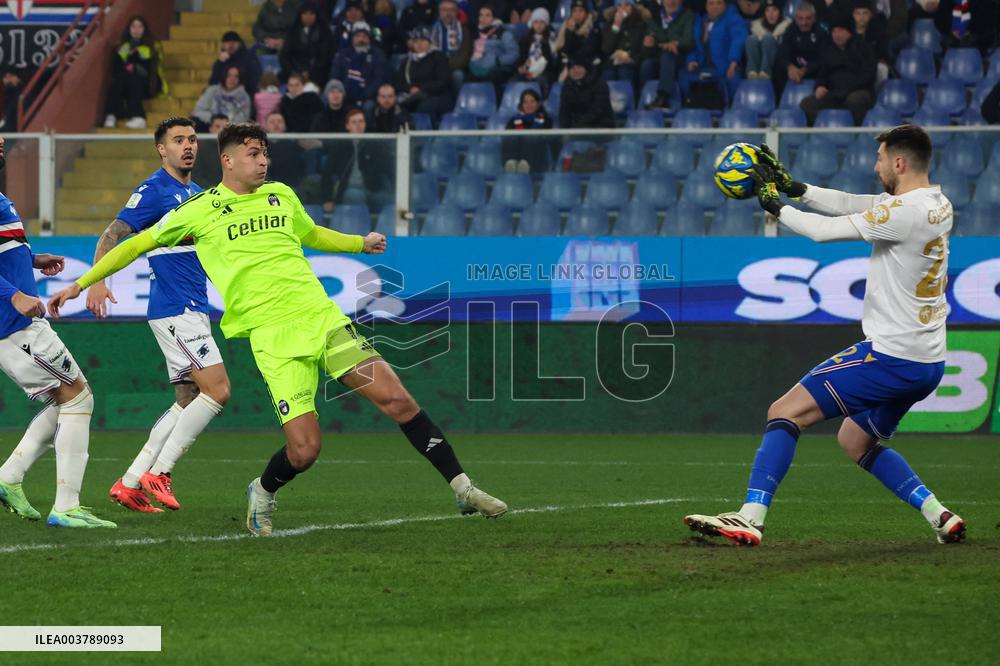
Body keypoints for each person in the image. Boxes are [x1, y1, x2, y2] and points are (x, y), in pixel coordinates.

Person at [48, 122, 508, 537]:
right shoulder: (199, 210)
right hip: (273, 341)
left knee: (398, 399)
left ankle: (463, 487)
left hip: (322, 320)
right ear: (227, 160)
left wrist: (360, 243)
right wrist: (82, 282)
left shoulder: (282, 195)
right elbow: (133, 245)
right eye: (253, 152)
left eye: (265, 151)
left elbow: (312, 234)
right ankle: (263, 491)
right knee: (305, 451)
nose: (263, 159)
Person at [686, 125, 964, 547]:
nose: (876, 166)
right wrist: (794, 188)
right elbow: (852, 204)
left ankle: (750, 516)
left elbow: (822, 232)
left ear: (900, 163)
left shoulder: (905, 213)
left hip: (891, 357)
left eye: (881, 158)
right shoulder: (935, 203)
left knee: (784, 412)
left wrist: (773, 204)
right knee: (856, 441)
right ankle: (939, 514)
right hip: (927, 361)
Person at [84, 117, 230, 513]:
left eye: (193, 139)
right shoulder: (153, 190)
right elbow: (113, 234)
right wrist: (97, 281)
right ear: (161, 150)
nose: (188, 145)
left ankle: (130, 483)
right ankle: (159, 472)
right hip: (175, 309)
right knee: (218, 391)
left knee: (188, 397)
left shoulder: (198, 195)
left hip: (191, 306)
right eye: (178, 140)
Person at [0, 134, 116, 529]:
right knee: (79, 399)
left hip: (17, 320)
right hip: (13, 323)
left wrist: (30, 260)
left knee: (65, 398)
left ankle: (10, 477)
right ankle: (66, 506)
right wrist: (13, 293)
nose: (1, 139)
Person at [799, 16, 875, 126]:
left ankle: (856, 134)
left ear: (849, 32)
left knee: (855, 100)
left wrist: (849, 88)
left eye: (840, 30)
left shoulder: (863, 48)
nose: (836, 34)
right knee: (807, 104)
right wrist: (819, 87)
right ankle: (819, 133)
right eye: (834, 31)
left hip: (857, 91)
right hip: (834, 94)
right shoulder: (828, 51)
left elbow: (869, 74)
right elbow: (822, 75)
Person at [322, 107, 393, 210]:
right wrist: (327, 199)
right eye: (354, 122)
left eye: (361, 121)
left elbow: (387, 169)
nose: (358, 125)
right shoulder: (339, 146)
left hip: (373, 189)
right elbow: (327, 174)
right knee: (355, 195)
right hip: (350, 189)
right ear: (347, 126)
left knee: (390, 201)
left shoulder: (374, 144)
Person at [103, 16, 165, 130]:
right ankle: (111, 115)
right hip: (126, 84)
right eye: (133, 27)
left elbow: (150, 70)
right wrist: (128, 65)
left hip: (148, 85)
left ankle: (139, 116)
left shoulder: (152, 46)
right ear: (129, 29)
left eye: (140, 27)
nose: (136, 30)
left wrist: (134, 63)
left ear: (144, 29)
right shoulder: (123, 47)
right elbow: (116, 68)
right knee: (118, 79)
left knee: (134, 76)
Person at [682, 0, 748, 102]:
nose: (715, 6)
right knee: (684, 76)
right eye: (711, 3)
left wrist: (734, 60)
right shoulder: (701, 21)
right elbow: (694, 45)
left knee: (733, 79)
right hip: (703, 66)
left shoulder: (733, 18)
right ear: (706, 6)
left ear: (725, 5)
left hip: (725, 66)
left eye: (719, 3)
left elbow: (738, 39)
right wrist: (691, 60)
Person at [640, 0, 695, 110]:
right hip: (658, 56)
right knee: (647, 64)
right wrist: (648, 45)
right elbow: (646, 52)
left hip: (680, 56)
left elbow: (689, 42)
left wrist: (676, 43)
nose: (671, 2)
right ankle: (643, 98)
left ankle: (663, 98)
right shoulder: (654, 18)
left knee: (667, 55)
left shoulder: (688, 15)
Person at [395, 28, 454, 125]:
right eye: (416, 41)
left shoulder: (439, 57)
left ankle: (427, 136)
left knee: (425, 107)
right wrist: (410, 89)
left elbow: (442, 82)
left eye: (422, 41)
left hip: (438, 96)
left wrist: (420, 88)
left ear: (429, 42)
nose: (419, 44)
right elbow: (398, 83)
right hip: (413, 96)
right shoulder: (407, 61)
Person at [773, 1, 828, 98]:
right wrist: (789, 67)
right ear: (795, 19)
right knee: (778, 67)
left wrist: (806, 70)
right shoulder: (791, 30)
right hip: (794, 70)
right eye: (800, 19)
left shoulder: (821, 32)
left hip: (813, 70)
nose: (804, 22)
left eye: (808, 18)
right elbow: (782, 53)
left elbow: (824, 57)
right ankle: (779, 102)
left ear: (814, 18)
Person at [329, 22, 389, 108]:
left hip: (369, 97)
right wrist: (343, 93)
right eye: (357, 36)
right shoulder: (343, 54)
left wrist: (363, 95)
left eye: (364, 36)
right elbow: (335, 75)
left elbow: (379, 79)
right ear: (352, 38)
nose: (361, 39)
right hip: (345, 94)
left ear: (369, 39)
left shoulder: (377, 54)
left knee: (369, 106)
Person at [280, 2, 334, 86]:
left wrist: (310, 72)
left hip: (317, 72)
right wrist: (295, 72)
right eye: (305, 14)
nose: (308, 17)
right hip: (295, 71)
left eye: (311, 14)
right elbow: (285, 55)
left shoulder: (324, 30)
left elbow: (325, 56)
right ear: (300, 15)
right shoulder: (293, 30)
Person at [468, 4, 520, 86]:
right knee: (466, 79)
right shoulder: (476, 35)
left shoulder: (503, 33)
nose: (483, 18)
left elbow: (513, 54)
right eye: (481, 15)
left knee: (490, 77)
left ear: (494, 18)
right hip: (478, 69)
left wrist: (498, 61)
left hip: (498, 69)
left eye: (487, 15)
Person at [503, 89, 553, 173]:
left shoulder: (545, 119)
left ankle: (526, 164)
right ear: (522, 105)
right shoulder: (514, 120)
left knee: (531, 138)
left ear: (538, 104)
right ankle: (511, 163)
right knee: (511, 138)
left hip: (537, 160)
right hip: (516, 157)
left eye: (532, 101)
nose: (529, 105)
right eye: (525, 102)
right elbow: (507, 138)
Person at [601, 0, 651, 86]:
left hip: (633, 62)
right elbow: (606, 49)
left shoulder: (641, 25)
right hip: (613, 62)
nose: (623, 8)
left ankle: (628, 98)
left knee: (624, 71)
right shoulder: (610, 24)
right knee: (608, 73)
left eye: (627, 5)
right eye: (619, 5)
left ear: (633, 7)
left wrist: (632, 59)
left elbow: (643, 50)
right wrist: (616, 27)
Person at [559, 56, 615, 128]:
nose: (575, 71)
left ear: (586, 69)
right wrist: (563, 131)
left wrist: (578, 126)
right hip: (576, 128)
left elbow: (598, 110)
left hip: (601, 127)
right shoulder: (567, 87)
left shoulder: (599, 84)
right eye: (572, 68)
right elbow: (564, 112)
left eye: (579, 67)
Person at [512, 8, 558, 96]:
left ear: (546, 23)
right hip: (528, 69)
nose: (539, 25)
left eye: (542, 22)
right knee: (514, 80)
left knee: (541, 80)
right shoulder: (526, 38)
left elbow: (553, 63)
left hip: (546, 71)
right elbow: (522, 57)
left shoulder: (552, 38)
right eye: (536, 22)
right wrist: (520, 67)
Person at [554, 0, 602, 82]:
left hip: (588, 63)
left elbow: (589, 50)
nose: (577, 14)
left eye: (581, 10)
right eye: (574, 11)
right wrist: (570, 32)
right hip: (572, 63)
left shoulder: (593, 27)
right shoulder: (567, 27)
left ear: (586, 13)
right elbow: (565, 50)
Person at [430, 0, 472, 92]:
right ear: (439, 12)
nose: (448, 13)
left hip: (454, 67)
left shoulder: (464, 30)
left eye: (452, 10)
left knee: (458, 75)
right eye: (444, 10)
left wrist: (444, 66)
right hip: (434, 66)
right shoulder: (431, 30)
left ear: (456, 12)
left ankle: (457, 103)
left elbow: (464, 57)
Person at [744, 0, 790, 80]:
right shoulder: (756, 26)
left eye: (774, 10)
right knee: (751, 39)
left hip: (779, 65)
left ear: (780, 12)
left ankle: (765, 72)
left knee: (768, 38)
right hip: (758, 62)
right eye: (767, 10)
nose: (771, 14)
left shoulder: (788, 26)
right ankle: (752, 71)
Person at [210, 31, 262, 97]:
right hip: (223, 100)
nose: (231, 45)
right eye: (228, 42)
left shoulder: (250, 59)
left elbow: (254, 83)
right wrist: (220, 64)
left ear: (239, 44)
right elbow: (213, 84)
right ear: (223, 45)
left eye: (234, 42)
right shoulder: (220, 62)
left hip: (245, 99)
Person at [851, 0, 889, 86]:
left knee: (882, 68)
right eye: (858, 13)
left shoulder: (879, 32)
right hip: (852, 66)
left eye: (865, 13)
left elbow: (882, 55)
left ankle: (878, 95)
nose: (861, 17)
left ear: (870, 15)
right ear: (853, 15)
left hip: (872, 66)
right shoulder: (848, 32)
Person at [264, 111, 306, 187]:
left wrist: (271, 162)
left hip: (289, 185)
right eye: (272, 122)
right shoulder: (262, 146)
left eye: (279, 121)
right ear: (266, 126)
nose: (276, 125)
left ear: (285, 125)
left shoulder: (293, 146)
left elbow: (294, 167)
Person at [192, 114, 229, 187]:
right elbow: (196, 177)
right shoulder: (200, 151)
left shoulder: (234, 151)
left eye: (224, 128)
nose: (221, 130)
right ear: (211, 128)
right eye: (217, 127)